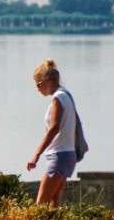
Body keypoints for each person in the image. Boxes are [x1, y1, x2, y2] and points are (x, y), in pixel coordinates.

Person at [26, 59, 77, 207]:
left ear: (48, 81)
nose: (38, 89)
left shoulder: (58, 98)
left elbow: (54, 128)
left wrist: (36, 154)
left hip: (59, 155)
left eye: (38, 84)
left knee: (41, 206)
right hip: (69, 154)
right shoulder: (66, 94)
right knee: (54, 205)